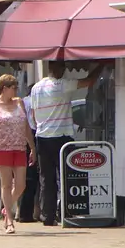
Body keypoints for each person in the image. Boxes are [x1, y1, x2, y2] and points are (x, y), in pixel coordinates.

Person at [27, 60, 103, 226]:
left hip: (42, 137)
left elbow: (33, 115)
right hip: (61, 137)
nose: (66, 71)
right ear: (56, 68)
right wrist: (102, 65)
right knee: (68, 176)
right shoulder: (61, 85)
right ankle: (69, 212)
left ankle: (48, 216)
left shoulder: (36, 88)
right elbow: (88, 81)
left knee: (47, 179)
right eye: (64, 68)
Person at [0, 73, 37, 234]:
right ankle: (9, 219)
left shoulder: (19, 103)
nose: (16, 90)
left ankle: (6, 207)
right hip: (1, 148)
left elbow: (26, 126)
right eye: (13, 88)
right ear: (4, 88)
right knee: (6, 184)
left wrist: (32, 147)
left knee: (21, 184)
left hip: (19, 147)